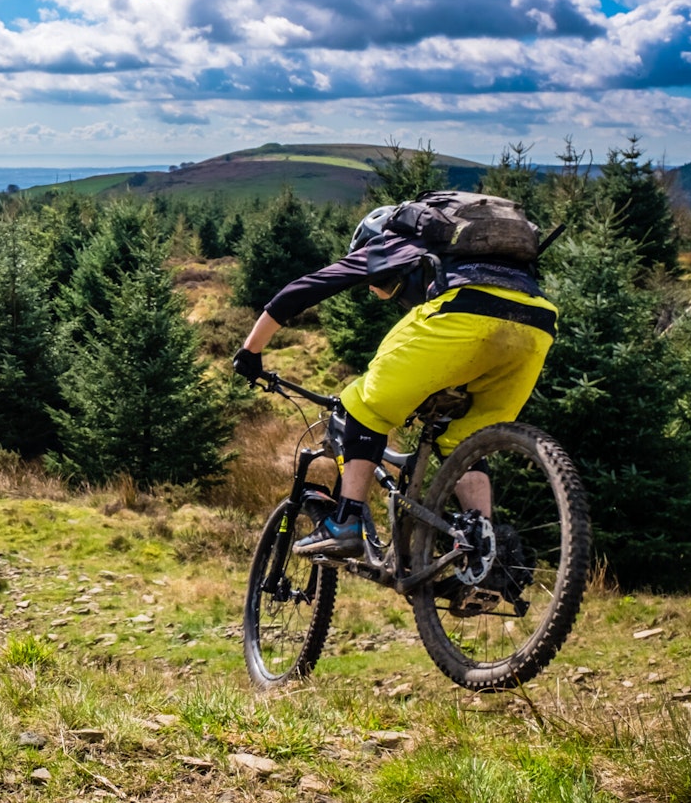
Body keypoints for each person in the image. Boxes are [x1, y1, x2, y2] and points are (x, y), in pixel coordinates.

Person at [232, 203, 557, 557]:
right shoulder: (469, 255)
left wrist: (251, 351)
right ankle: (482, 548)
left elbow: (306, 288)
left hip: (463, 313)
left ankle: (346, 522)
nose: (375, 289)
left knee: (364, 403)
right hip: (537, 325)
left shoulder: (392, 243)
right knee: (466, 436)